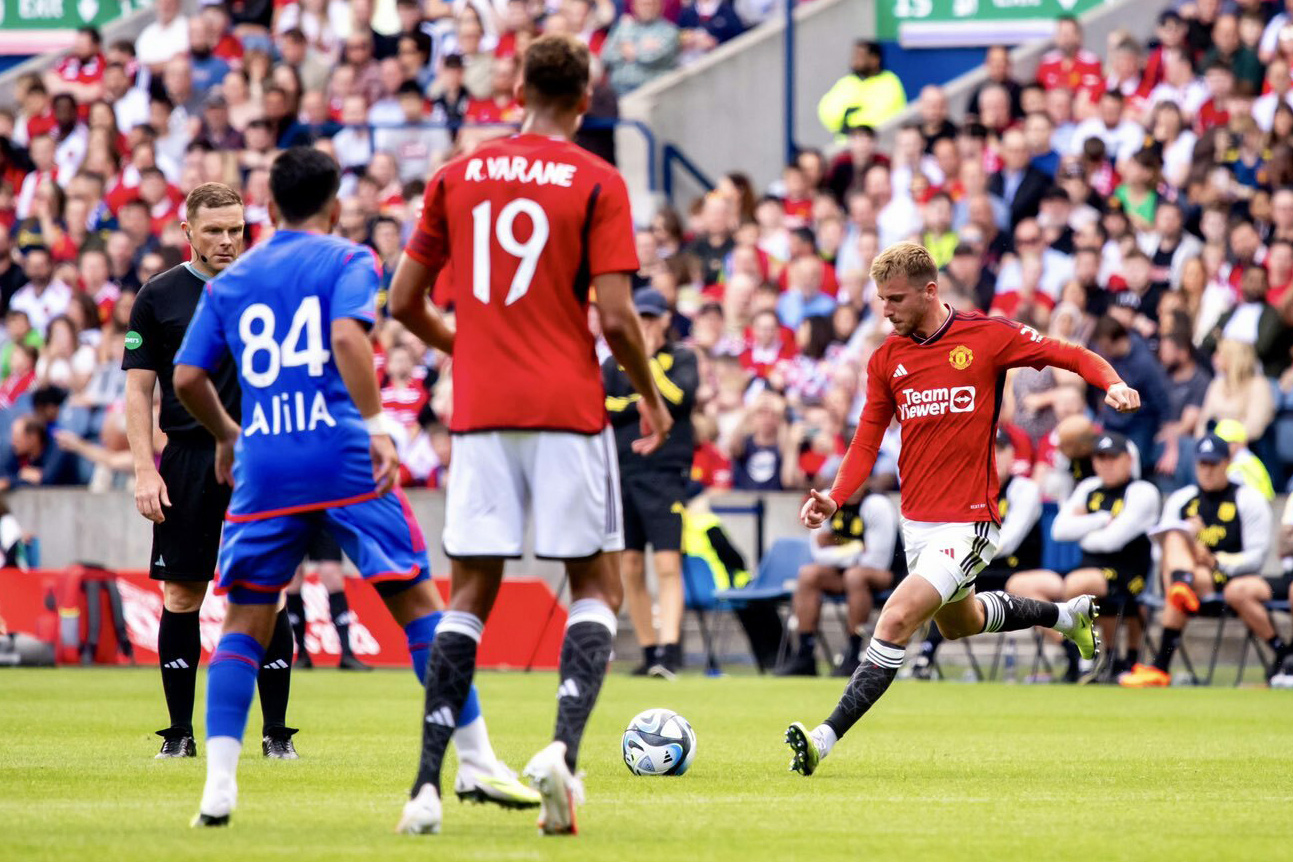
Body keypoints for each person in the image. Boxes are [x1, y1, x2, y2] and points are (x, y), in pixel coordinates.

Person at [181, 149, 538, 827]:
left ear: (267, 208)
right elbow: (347, 335)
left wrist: (229, 435)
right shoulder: (348, 259)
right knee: (420, 605)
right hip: (342, 456)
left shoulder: (229, 282)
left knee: (244, 623)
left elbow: (187, 379)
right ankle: (477, 760)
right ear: (336, 206)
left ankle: (218, 788)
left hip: (265, 464)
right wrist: (377, 426)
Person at [387, 35, 671, 836]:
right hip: (566, 409)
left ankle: (424, 790)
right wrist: (649, 395)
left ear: (515, 86)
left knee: (468, 593)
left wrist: (469, 349)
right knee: (596, 586)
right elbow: (616, 316)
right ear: (587, 100)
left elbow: (404, 301)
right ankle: (562, 757)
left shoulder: (457, 173)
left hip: (478, 413)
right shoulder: (597, 180)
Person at [786, 242, 1140, 777]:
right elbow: (866, 441)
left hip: (970, 518)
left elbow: (1066, 353)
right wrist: (835, 497)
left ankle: (823, 737)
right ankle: (1067, 616)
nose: (887, 310)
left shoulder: (987, 336)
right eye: (881, 300)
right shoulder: (887, 359)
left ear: (931, 291)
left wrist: (1110, 382)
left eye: (896, 299)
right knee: (960, 622)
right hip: (918, 523)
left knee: (898, 616)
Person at [120, 183, 299, 760]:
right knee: (181, 593)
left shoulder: (269, 287)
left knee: (265, 591)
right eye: (215, 230)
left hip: (261, 458)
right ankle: (179, 734)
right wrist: (146, 470)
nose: (227, 241)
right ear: (187, 232)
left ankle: (276, 735)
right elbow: (137, 391)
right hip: (190, 459)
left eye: (236, 230)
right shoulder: (159, 295)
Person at [1119, 434, 1272, 687]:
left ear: (1227, 462)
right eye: (1203, 464)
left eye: (1214, 464)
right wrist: (1191, 541)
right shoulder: (1182, 499)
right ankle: (1182, 584)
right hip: (1186, 576)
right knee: (1177, 537)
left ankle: (1160, 666)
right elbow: (1161, 550)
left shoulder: (1247, 499)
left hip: (1225, 581)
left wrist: (1215, 560)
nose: (1207, 470)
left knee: (1188, 576)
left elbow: (1256, 556)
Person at [603, 288, 698, 679]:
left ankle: (670, 648)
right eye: (639, 317)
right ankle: (647, 649)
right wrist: (641, 400)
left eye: (651, 318)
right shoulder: (613, 363)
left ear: (664, 321)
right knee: (629, 563)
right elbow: (606, 406)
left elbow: (679, 398)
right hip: (623, 471)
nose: (644, 324)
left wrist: (647, 367)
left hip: (665, 473)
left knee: (667, 562)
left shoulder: (682, 357)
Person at [1023, 432, 1161, 681]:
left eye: (1113, 458)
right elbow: (1059, 530)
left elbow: (1111, 541)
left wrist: (1082, 523)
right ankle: (1075, 650)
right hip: (1085, 568)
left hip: (1127, 571)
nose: (1105, 464)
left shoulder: (1142, 491)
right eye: (1100, 458)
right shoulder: (1089, 487)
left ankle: (1093, 654)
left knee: (1079, 583)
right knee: (1021, 585)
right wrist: (1102, 519)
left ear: (1129, 460)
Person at [913, 429, 1048, 678]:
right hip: (976, 569)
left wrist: (960, 553)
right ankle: (923, 655)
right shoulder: (969, 489)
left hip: (1015, 569)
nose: (992, 457)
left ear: (1010, 454)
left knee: (956, 575)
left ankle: (1074, 658)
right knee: (938, 580)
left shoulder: (1023, 489)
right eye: (986, 451)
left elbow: (1009, 541)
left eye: (998, 450)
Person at [775, 487, 900, 678]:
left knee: (855, 576)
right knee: (808, 574)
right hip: (847, 572)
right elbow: (819, 554)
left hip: (887, 575)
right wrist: (857, 547)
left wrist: (836, 543)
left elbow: (876, 561)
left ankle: (853, 653)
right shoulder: (825, 499)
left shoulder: (876, 505)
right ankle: (805, 654)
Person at [283, 527, 371, 670]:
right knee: (293, 578)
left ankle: (347, 654)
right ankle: (301, 654)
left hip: (323, 515)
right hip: (292, 516)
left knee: (333, 576)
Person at [817, 40, 907, 141]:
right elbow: (827, 111)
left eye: (860, 56)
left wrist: (849, 120)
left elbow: (880, 115)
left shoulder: (889, 81)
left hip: (878, 146)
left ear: (874, 59)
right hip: (844, 147)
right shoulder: (847, 82)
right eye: (854, 56)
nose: (855, 60)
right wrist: (847, 116)